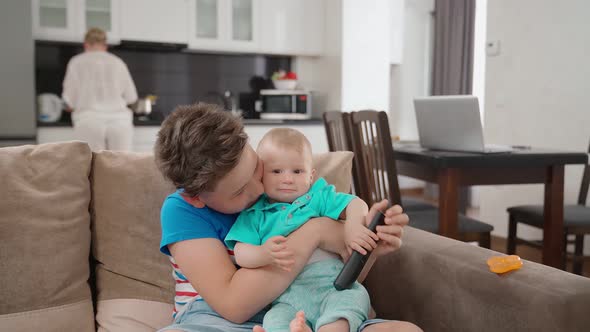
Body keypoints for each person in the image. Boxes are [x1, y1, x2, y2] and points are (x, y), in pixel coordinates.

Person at [154, 103, 422, 332]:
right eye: (239, 191)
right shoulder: (182, 210)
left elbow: (334, 276)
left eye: (257, 169)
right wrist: (315, 231)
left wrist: (370, 244)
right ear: (196, 197)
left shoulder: (284, 187)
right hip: (220, 321)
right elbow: (234, 305)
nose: (260, 189)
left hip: (315, 310)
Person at [225, 128, 378, 331]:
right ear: (261, 175)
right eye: (277, 171)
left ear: (311, 175)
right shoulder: (255, 213)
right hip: (287, 296)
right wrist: (263, 254)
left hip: (334, 286)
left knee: (354, 299)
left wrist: (353, 226)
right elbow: (240, 253)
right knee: (274, 320)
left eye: (297, 171)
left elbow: (356, 203)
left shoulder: (318, 196)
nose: (287, 179)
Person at [62, 28, 138, 151]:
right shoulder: (118, 62)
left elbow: (68, 101)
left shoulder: (76, 62)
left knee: (92, 167)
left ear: (86, 44)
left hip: (88, 122)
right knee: (122, 166)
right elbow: (131, 97)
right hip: (119, 123)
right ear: (105, 45)